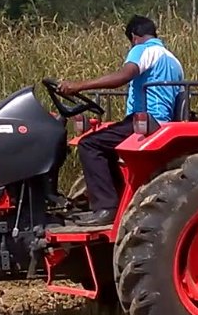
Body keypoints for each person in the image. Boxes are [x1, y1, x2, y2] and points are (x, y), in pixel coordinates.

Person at [57, 15, 184, 227]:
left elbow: (124, 76)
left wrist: (78, 86)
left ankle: (106, 207)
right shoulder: (173, 60)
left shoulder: (143, 49)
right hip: (163, 121)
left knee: (90, 144)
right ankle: (115, 199)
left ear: (134, 36)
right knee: (104, 142)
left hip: (146, 120)